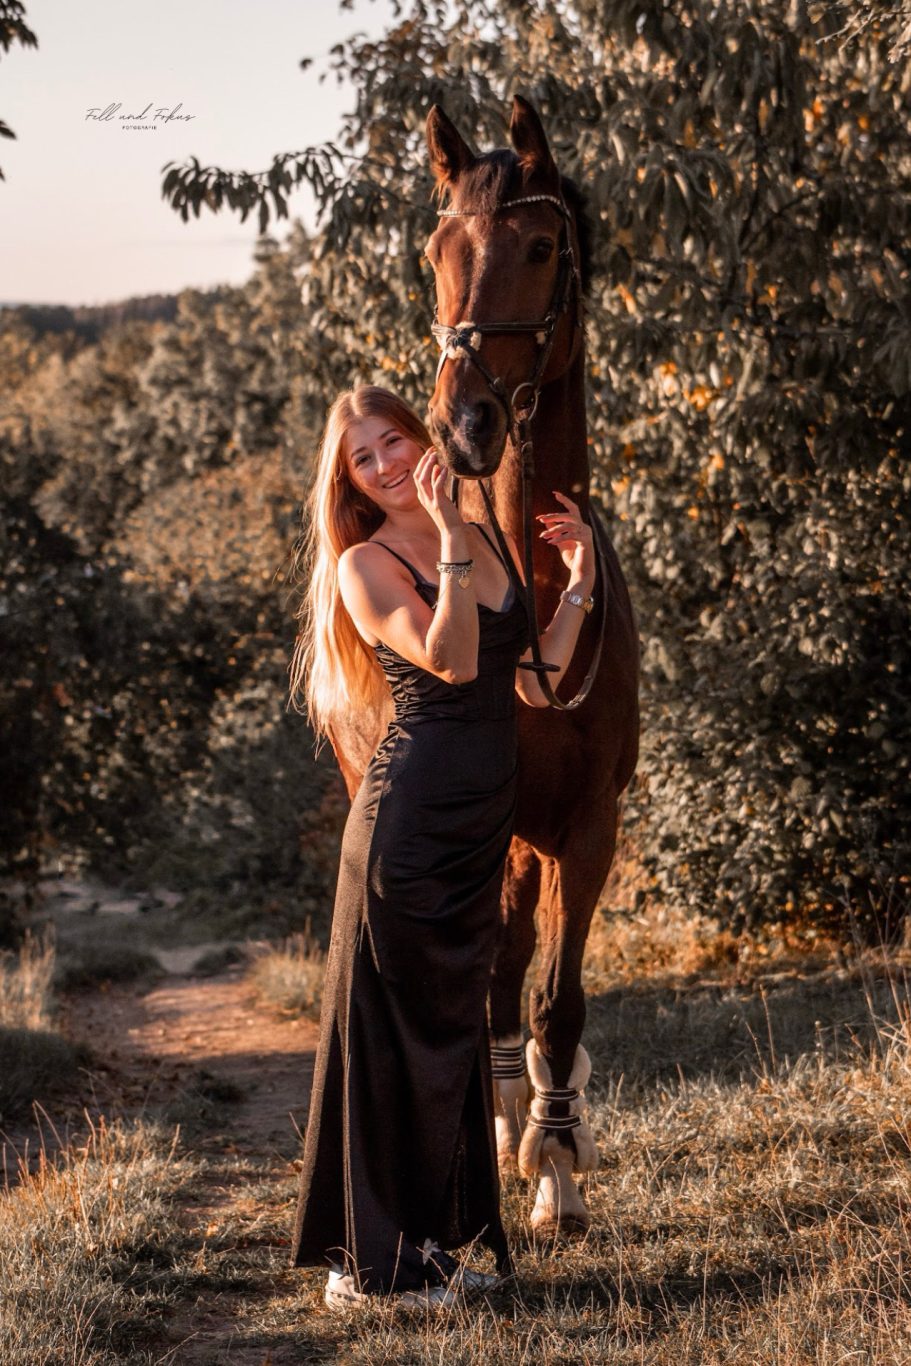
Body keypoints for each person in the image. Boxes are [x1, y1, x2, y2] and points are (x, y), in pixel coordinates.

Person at [288, 385, 596, 1309]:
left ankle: (416, 1246)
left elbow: (534, 681)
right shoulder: (366, 564)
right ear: (347, 482)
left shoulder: (482, 538)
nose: (385, 465)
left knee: (448, 1034)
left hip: (475, 828)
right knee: (397, 1038)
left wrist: (579, 580)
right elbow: (452, 659)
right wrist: (454, 539)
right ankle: (367, 1268)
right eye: (363, 459)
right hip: (409, 826)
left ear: (422, 438)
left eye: (392, 441)